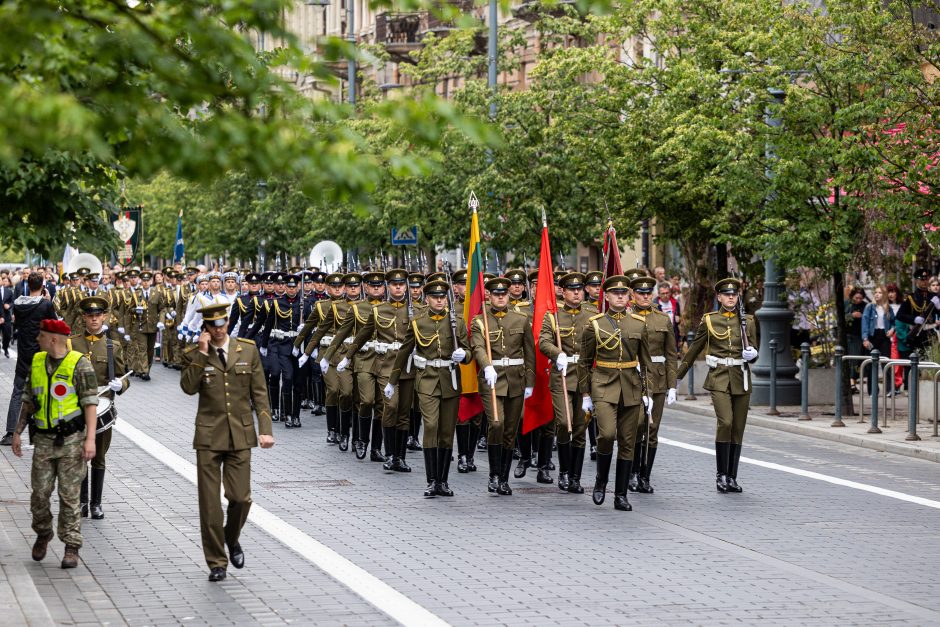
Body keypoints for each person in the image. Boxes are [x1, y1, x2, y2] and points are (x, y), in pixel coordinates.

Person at [179, 303, 274, 582]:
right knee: (209, 505)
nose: (219, 330)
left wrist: (265, 429)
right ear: (205, 328)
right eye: (213, 326)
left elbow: (260, 394)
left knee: (240, 498)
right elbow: (187, 388)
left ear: (228, 324)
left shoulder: (248, 349)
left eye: (222, 324)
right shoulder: (196, 353)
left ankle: (231, 538)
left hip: (240, 434)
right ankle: (216, 562)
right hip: (209, 436)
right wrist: (201, 353)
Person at [11, 318, 97, 569]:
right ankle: (43, 532)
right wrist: (17, 432)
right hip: (43, 440)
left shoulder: (80, 364)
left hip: (71, 440)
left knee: (69, 496)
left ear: (53, 339)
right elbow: (28, 399)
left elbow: (90, 403)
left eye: (40, 335)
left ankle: (71, 546)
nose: (37, 339)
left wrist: (90, 439)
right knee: (39, 494)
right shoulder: (37, 362)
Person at [388, 278, 471, 496]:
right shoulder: (418, 323)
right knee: (431, 426)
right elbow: (404, 352)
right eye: (435, 297)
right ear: (427, 299)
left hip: (450, 381)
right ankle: (431, 480)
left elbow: (468, 351)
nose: (439, 301)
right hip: (426, 381)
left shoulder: (457, 323)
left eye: (443, 297)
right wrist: (392, 381)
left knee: (446, 432)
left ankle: (442, 482)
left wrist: (464, 356)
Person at [577, 275, 653, 512]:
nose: (620, 296)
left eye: (623, 293)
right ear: (607, 296)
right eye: (614, 293)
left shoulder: (639, 324)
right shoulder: (595, 324)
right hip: (604, 384)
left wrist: (647, 392)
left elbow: (646, 362)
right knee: (607, 434)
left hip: (631, 386)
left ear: (628, 296)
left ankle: (620, 495)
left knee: (628, 442)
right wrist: (586, 394)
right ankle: (601, 479)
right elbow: (584, 362)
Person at [677, 277, 758, 494]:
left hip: (741, 377)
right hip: (719, 377)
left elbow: (754, 353)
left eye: (734, 294)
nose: (731, 297)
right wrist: (676, 378)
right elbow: (694, 349)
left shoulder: (748, 321)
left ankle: (732, 477)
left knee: (738, 429)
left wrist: (753, 355)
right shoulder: (710, 320)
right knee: (726, 422)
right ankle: (721, 475)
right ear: (719, 297)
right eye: (727, 294)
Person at [471, 276, 535, 496]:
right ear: (488, 296)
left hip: (516, 379)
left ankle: (504, 479)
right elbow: (478, 347)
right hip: (492, 380)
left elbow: (529, 352)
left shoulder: (521, 319)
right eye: (496, 294)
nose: (500, 297)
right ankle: (493, 475)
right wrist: (487, 366)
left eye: (503, 294)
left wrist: (530, 381)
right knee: (496, 424)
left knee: (510, 430)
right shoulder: (480, 321)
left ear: (508, 295)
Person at [69, 296, 130, 519]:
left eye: (98, 315)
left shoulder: (113, 346)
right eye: (90, 315)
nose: (94, 319)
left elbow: (125, 377)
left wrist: (120, 384)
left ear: (104, 316)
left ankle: (96, 504)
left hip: (102, 406)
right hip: (77, 407)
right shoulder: (72, 343)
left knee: (99, 457)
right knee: (80, 455)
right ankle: (82, 502)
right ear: (84, 317)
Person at [538, 272, 594, 494]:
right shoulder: (552, 317)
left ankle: (575, 477)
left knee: (580, 429)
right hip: (561, 377)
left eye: (580, 289)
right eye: (572, 289)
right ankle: (563, 470)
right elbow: (543, 340)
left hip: (584, 378)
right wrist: (556, 353)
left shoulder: (591, 315)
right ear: (563, 291)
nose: (577, 292)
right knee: (564, 423)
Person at [628, 276, 677, 494]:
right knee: (636, 425)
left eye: (648, 293)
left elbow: (671, 354)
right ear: (633, 294)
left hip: (656, 379)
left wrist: (672, 385)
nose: (645, 296)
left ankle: (645, 475)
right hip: (631, 378)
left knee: (652, 429)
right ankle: (631, 473)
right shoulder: (626, 318)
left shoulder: (662, 319)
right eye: (641, 293)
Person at [3, 272, 57, 446]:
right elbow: (54, 324)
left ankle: (10, 432)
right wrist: (48, 300)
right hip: (41, 355)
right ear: (42, 285)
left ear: (28, 284)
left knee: (18, 393)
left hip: (23, 354)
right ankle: (44, 430)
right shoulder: (45, 305)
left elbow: (17, 324)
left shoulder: (18, 304)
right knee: (45, 392)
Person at [861, 285, 894, 395]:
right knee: (871, 363)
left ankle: (889, 389)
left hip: (884, 336)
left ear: (884, 295)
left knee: (886, 362)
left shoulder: (888, 308)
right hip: (872, 336)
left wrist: (892, 330)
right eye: (876, 292)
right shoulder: (869, 307)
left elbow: (894, 322)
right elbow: (864, 323)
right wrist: (865, 338)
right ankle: (872, 390)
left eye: (880, 292)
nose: (877, 294)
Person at [0, 275, 13, 357]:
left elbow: (13, 301)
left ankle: (5, 348)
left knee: (7, 334)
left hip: (6, 316)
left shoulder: (8, 291)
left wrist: (9, 306)